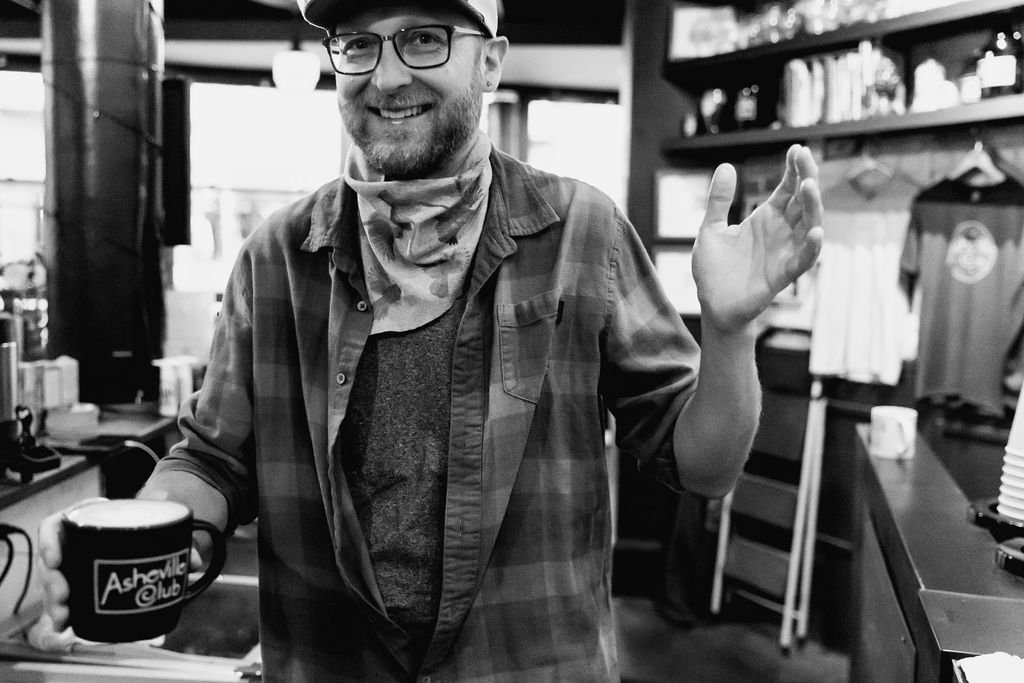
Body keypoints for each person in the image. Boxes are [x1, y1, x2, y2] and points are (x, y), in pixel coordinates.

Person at [34, 0, 824, 679]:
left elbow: (704, 465)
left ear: (491, 62)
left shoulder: (582, 231)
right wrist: (152, 535)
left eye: (424, 39)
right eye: (358, 42)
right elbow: (210, 458)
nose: (385, 77)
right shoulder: (276, 256)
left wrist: (727, 332)